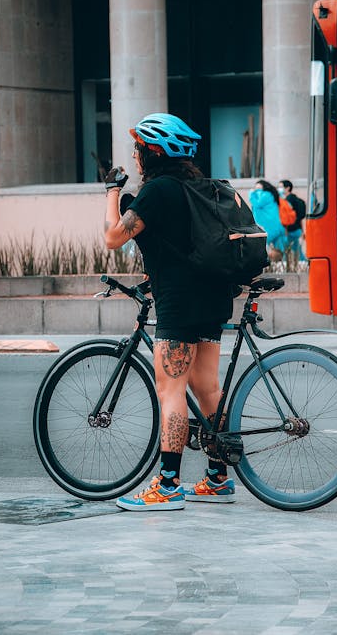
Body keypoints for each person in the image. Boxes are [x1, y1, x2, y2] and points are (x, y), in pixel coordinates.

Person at [104, 113, 236, 511]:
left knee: (171, 389)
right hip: (213, 297)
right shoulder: (200, 185)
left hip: (180, 300)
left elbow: (113, 237)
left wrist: (112, 191)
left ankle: (167, 485)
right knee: (206, 387)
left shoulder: (158, 190)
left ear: (153, 152)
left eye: (139, 148)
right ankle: (217, 478)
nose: (136, 154)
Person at [249, 179, 286, 262]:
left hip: (267, 227)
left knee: (264, 249)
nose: (256, 189)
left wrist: (251, 194)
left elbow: (257, 204)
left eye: (258, 188)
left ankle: (270, 265)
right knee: (280, 250)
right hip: (276, 226)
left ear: (264, 186)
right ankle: (283, 265)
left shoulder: (265, 194)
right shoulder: (271, 195)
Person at [278, 179, 306, 261]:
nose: (279, 189)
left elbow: (286, 218)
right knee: (297, 250)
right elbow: (300, 217)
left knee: (287, 251)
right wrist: (302, 230)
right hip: (297, 230)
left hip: (289, 231)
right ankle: (304, 263)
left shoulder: (288, 201)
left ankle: (302, 264)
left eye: (280, 187)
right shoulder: (296, 199)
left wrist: (285, 231)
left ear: (287, 188)